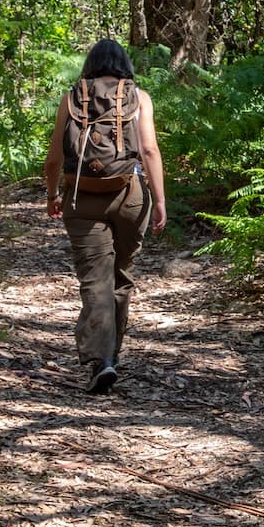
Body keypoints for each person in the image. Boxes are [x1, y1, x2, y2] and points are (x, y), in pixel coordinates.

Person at [42, 38, 167, 394]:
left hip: (82, 199)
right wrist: (159, 200)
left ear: (90, 64)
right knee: (120, 276)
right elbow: (149, 150)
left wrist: (52, 195)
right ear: (124, 64)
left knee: (94, 279)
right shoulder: (138, 98)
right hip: (129, 196)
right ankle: (112, 353)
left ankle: (102, 360)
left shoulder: (71, 99)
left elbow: (53, 158)